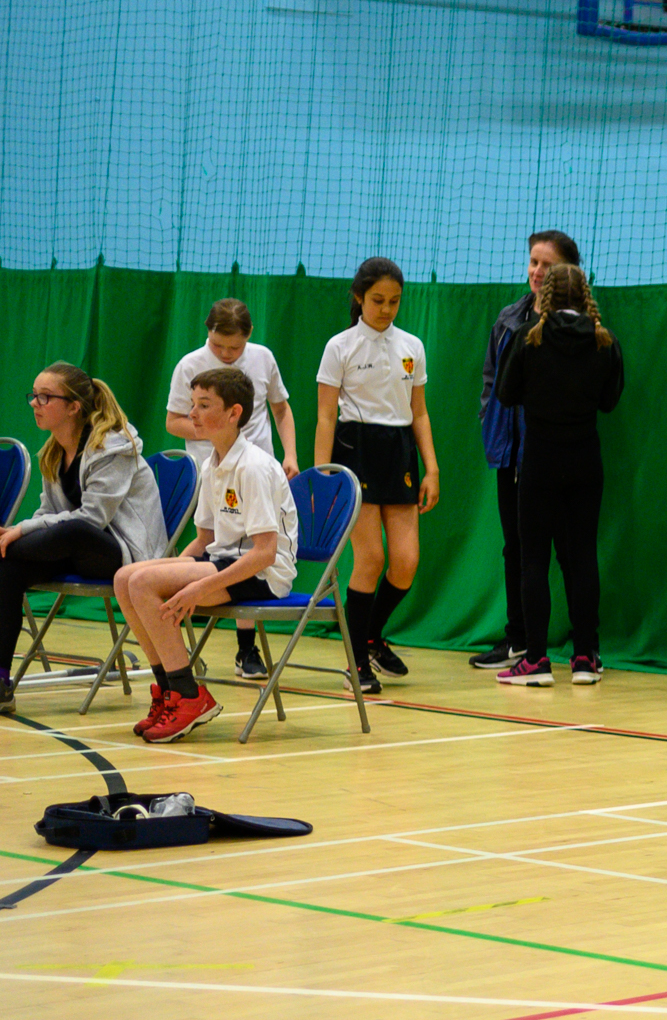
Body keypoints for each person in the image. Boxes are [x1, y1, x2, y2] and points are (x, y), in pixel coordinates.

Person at [108, 368, 297, 743]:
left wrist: (197, 587)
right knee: (126, 577)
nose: (192, 414)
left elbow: (264, 554)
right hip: (226, 562)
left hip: (263, 576)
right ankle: (169, 691)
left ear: (234, 413)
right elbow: (205, 541)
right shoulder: (211, 463)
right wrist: (170, 568)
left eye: (204, 405)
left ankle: (190, 696)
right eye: (192, 404)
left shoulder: (255, 467)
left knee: (145, 583)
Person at [0, 364, 168, 711]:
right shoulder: (54, 450)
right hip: (78, 550)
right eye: (33, 395)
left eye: (45, 397)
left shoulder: (113, 446)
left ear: (74, 406)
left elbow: (92, 519)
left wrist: (19, 531)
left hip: (124, 556)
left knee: (72, 530)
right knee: (7, 567)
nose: (35, 403)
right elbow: (47, 515)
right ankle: (1, 681)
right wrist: (22, 534)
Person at [491, 262, 625, 686]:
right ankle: (585, 657)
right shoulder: (605, 341)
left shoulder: (530, 339)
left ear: (547, 295)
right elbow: (609, 401)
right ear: (584, 294)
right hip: (586, 460)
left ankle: (535, 660)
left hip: (540, 461)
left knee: (534, 559)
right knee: (582, 556)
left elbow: (506, 392)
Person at [315, 255, 438, 695]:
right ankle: (356, 662)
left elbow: (419, 412)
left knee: (405, 563)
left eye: (394, 301)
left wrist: (432, 468)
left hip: (400, 452)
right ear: (359, 298)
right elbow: (326, 416)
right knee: (370, 560)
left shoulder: (412, 347)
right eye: (378, 300)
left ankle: (369, 637)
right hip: (356, 450)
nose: (386, 309)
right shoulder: (340, 347)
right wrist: (322, 473)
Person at [164, 298, 300, 681]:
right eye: (218, 345)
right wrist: (212, 430)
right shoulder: (189, 365)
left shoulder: (263, 359)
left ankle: (245, 649)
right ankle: (176, 661)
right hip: (217, 466)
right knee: (201, 552)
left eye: (234, 347)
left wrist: (290, 453)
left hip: (249, 471)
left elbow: (282, 408)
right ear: (207, 332)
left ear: (249, 336)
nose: (226, 354)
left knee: (247, 548)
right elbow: (174, 421)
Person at [474, 230, 581, 672]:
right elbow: (491, 382)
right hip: (512, 457)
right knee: (515, 548)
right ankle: (518, 640)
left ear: (568, 271)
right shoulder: (508, 318)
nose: (537, 272)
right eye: (533, 262)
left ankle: (584, 648)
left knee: (569, 550)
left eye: (547, 265)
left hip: (559, 454)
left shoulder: (579, 324)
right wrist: (493, 427)